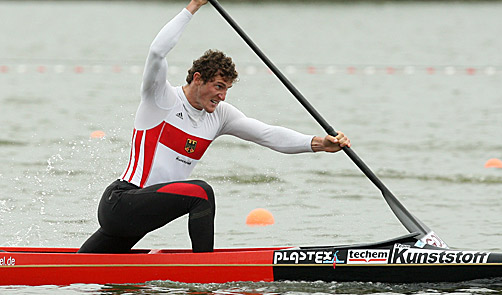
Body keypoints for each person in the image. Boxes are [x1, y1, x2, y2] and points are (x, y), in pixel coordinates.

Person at [78, 0, 350, 254]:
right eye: (218, 87)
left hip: (142, 217)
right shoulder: (161, 99)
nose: (222, 96)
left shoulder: (219, 116)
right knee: (201, 192)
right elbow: (157, 51)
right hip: (122, 202)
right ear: (198, 79)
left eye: (227, 89)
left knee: (83, 268)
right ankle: (203, 277)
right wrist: (194, 6)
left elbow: (269, 135)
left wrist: (318, 144)